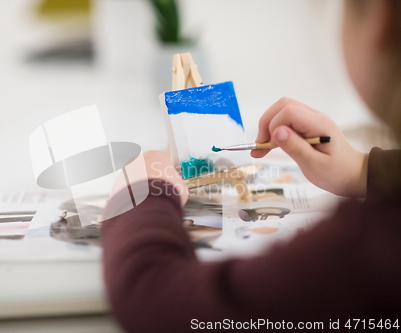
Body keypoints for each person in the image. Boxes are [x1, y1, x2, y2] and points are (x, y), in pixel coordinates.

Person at [102, 0, 401, 331]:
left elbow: (161, 303)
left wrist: (142, 195)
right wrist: (364, 169)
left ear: (380, 17)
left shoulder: (367, 248)